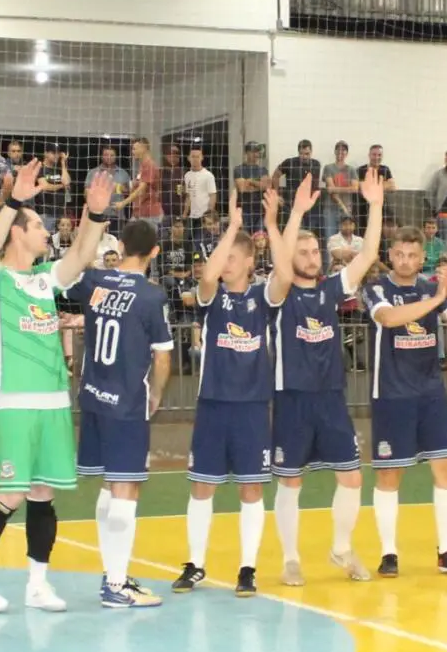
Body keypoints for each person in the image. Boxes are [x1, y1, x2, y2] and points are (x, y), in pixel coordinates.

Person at [0, 162, 114, 613]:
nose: (46, 231)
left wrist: (95, 216)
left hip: (53, 401)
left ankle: (38, 584)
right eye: (38, 225)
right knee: (13, 491)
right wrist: (15, 201)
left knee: (43, 493)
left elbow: (80, 256)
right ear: (17, 233)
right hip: (15, 401)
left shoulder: (43, 278)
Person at [172, 190, 290, 598]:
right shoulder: (213, 298)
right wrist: (233, 229)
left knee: (251, 489)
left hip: (253, 407)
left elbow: (285, 278)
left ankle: (247, 568)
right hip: (213, 405)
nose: (224, 265)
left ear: (249, 264)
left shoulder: (262, 298)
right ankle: (195, 564)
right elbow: (205, 277)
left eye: (232, 259)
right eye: (222, 259)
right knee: (202, 487)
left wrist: (271, 227)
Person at [269, 172, 385, 585]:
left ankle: (340, 549)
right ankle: (290, 559)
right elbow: (282, 260)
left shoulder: (332, 288)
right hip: (293, 398)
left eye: (316, 248)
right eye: (303, 250)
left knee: (352, 476)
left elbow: (369, 252)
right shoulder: (279, 294)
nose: (311, 254)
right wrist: (296, 212)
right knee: (290, 479)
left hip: (331, 398)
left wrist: (373, 204)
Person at [363, 227, 447, 576]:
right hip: (392, 395)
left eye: (413, 255)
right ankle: (388, 554)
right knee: (389, 475)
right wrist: (434, 299)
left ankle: (446, 551)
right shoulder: (376, 288)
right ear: (391, 253)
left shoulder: (432, 288)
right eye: (399, 254)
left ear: (422, 256)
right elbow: (389, 319)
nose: (405, 261)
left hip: (431, 394)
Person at [69, 220, 174, 607]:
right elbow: (162, 355)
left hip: (93, 397)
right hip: (127, 401)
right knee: (126, 488)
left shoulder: (96, 279)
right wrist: (157, 396)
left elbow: (69, 277)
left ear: (122, 245)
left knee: (107, 486)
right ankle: (115, 585)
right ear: (155, 252)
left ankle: (113, 574)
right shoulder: (151, 297)